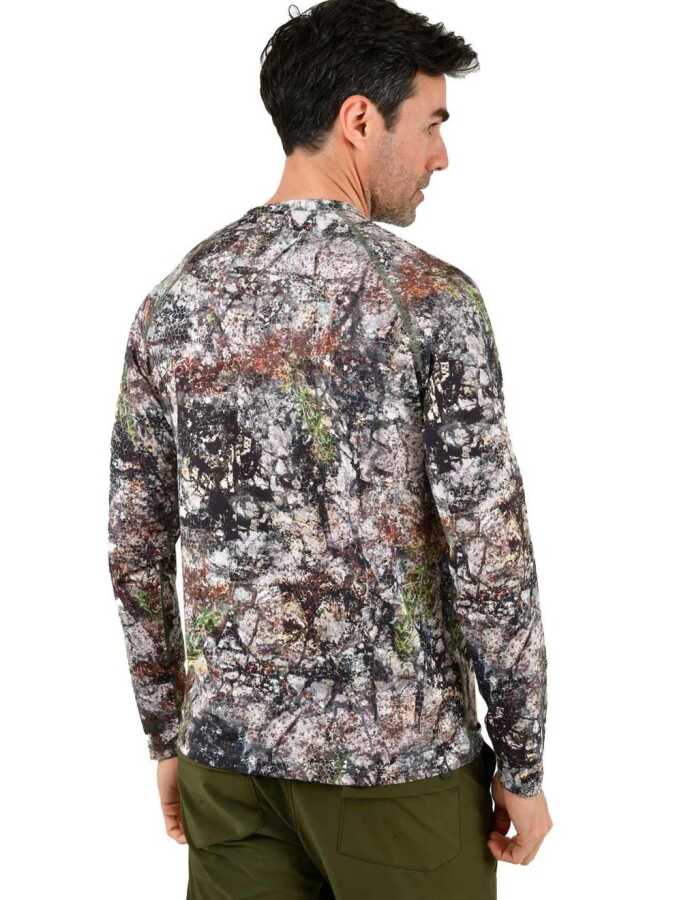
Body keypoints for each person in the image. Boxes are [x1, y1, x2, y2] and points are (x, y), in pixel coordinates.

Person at [107, 1, 552, 896]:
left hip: (228, 767)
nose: (439, 156)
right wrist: (522, 762)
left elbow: (135, 541)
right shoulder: (429, 301)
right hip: (397, 774)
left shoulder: (177, 298)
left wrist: (168, 734)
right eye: (430, 123)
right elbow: (489, 553)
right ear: (358, 119)